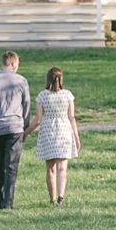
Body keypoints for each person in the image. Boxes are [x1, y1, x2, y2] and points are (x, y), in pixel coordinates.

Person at [0, 50, 32, 211]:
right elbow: (27, 106)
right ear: (14, 63)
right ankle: (8, 202)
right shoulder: (21, 81)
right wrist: (25, 128)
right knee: (11, 166)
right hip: (15, 127)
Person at [31, 66, 82, 205]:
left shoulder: (42, 96)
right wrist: (76, 137)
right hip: (64, 132)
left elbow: (38, 120)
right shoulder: (67, 95)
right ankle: (61, 197)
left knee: (50, 169)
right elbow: (71, 117)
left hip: (48, 132)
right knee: (62, 168)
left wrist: (26, 132)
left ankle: (52, 199)